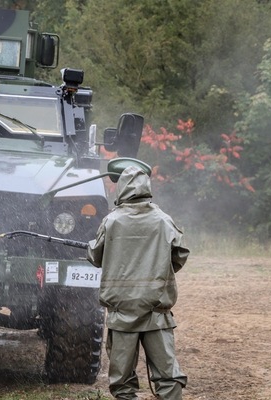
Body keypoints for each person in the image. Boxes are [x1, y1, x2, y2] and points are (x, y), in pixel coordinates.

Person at [87, 165, 190, 400]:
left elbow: (95, 257)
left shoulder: (112, 221)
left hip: (121, 314)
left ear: (121, 189)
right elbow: (180, 255)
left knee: (122, 382)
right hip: (156, 312)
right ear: (147, 187)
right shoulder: (164, 221)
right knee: (167, 376)